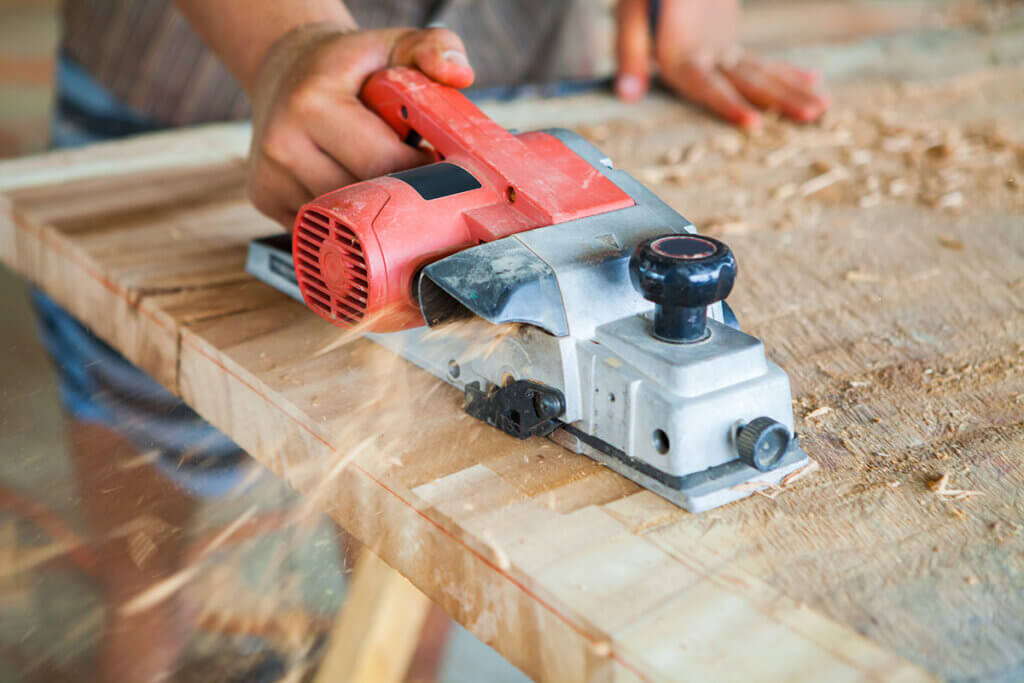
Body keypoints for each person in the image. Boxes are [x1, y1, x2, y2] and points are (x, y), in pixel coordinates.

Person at [41, 1, 829, 680]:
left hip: (506, 54)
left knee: (415, 532)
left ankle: (402, 656)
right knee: (143, 400)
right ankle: (145, 619)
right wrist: (283, 42)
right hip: (191, 78)